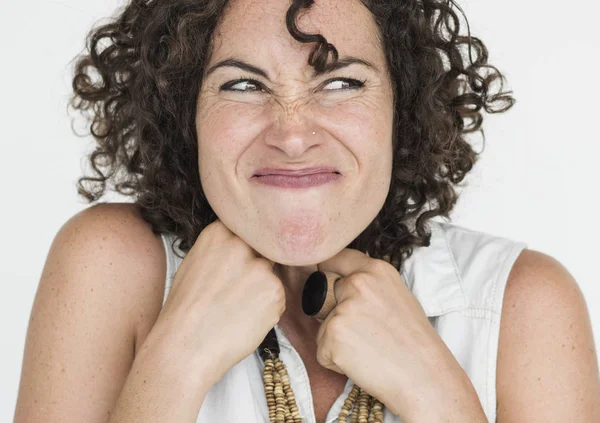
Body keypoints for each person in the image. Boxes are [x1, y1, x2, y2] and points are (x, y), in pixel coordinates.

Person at [13, 0, 600, 422]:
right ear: (182, 113)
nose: (292, 135)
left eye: (341, 83)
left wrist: (437, 396)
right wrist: (174, 366)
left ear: (405, 105)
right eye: (243, 86)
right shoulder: (109, 268)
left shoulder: (522, 306)